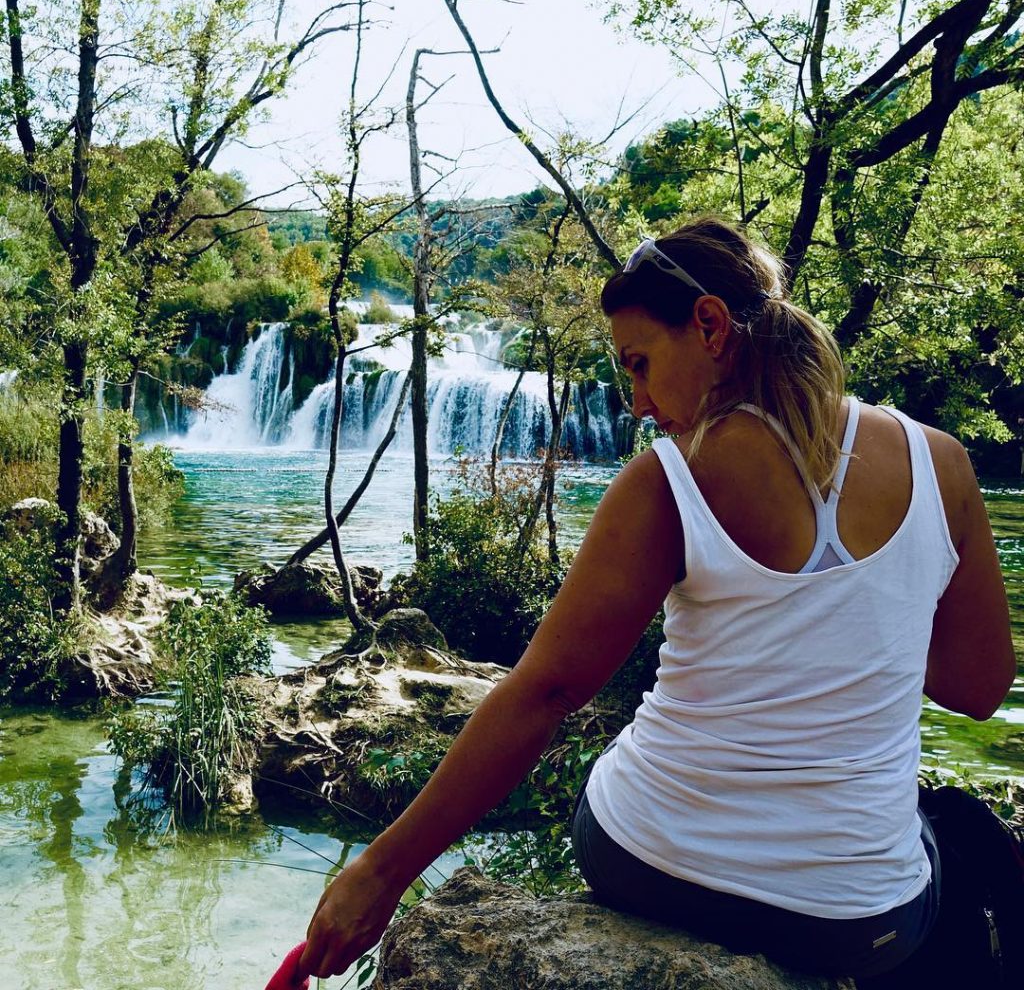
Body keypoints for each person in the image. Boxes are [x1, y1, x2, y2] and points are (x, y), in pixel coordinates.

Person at [297, 218, 1016, 983]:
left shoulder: (669, 480)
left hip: (651, 866)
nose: (638, 403)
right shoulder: (942, 464)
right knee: (950, 840)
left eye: (639, 364)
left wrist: (380, 872)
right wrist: (879, 611)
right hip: (860, 921)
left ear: (708, 325)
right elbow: (977, 689)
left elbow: (546, 691)